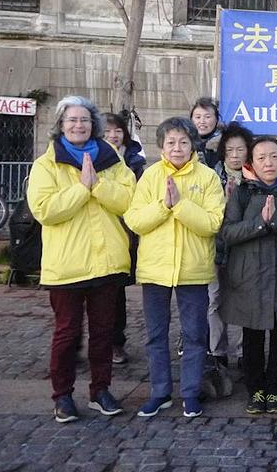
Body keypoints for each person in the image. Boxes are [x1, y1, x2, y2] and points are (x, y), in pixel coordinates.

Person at [27, 96, 136, 423]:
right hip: (66, 266)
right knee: (67, 333)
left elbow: (129, 200)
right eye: (71, 120)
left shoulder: (111, 157)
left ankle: (100, 390)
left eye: (84, 120)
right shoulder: (46, 164)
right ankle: (62, 396)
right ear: (61, 125)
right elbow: (45, 210)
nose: (78, 125)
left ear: (94, 125)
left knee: (104, 332)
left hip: (107, 262)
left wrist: (97, 185)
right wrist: (80, 189)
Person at [124, 117, 225, 419]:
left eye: (183, 142)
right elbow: (135, 220)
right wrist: (163, 207)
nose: (177, 148)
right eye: (171, 142)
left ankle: (191, 393)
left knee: (195, 335)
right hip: (155, 270)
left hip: (193, 269)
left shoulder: (207, 178)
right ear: (161, 146)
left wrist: (180, 205)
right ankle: (160, 392)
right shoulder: (150, 176)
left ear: (193, 143)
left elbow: (212, 223)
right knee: (155, 335)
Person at [219, 137, 277, 415]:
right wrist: (261, 223)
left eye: (274, 156)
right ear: (252, 162)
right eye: (261, 157)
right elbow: (229, 233)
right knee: (252, 337)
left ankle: (275, 389)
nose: (268, 163)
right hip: (249, 277)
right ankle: (255, 390)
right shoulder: (241, 193)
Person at [209, 122, 254, 372]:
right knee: (214, 299)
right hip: (215, 249)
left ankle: (241, 352)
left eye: (240, 150)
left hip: (243, 250)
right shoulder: (211, 176)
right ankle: (217, 351)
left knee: (240, 302)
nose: (235, 156)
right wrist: (225, 203)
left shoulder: (254, 177)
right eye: (230, 151)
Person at [102, 112, 146, 365]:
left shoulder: (134, 161)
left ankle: (116, 343)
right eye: (107, 131)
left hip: (124, 231)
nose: (113, 136)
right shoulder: (90, 157)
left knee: (116, 290)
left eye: (117, 130)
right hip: (92, 233)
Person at [190, 97, 223, 169]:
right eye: (198, 117)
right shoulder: (185, 143)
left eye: (207, 117)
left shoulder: (225, 143)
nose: (202, 121)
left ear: (216, 119)